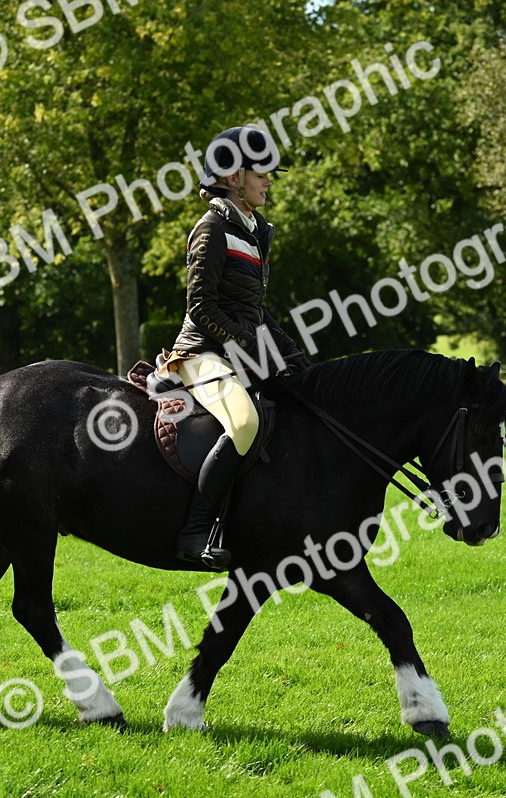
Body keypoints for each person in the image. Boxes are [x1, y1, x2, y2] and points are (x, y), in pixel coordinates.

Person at [160, 125, 310, 568]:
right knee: (244, 423)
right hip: (200, 354)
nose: (269, 182)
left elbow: (256, 310)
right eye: (261, 173)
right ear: (232, 177)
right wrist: (248, 345)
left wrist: (292, 355)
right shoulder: (211, 228)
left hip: (236, 351)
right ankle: (193, 535)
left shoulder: (254, 231)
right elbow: (201, 307)